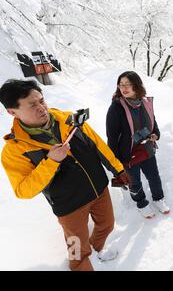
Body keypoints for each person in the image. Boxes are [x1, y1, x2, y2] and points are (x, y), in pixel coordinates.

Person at [0, 79, 130, 271]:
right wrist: (51, 162)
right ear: (13, 112)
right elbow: (23, 190)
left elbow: (98, 145)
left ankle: (95, 250)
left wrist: (118, 169)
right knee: (76, 249)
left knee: (107, 226)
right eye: (32, 105)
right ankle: (80, 265)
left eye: (42, 101)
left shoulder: (69, 120)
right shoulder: (15, 150)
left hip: (98, 189)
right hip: (70, 207)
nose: (42, 108)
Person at [106, 71, 170, 219]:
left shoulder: (145, 103)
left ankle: (158, 199)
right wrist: (116, 161)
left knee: (154, 177)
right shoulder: (116, 108)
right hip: (127, 154)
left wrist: (156, 134)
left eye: (128, 84)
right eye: (121, 85)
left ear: (137, 85)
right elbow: (112, 137)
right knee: (134, 182)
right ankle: (141, 204)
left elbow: (153, 123)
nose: (124, 88)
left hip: (146, 148)